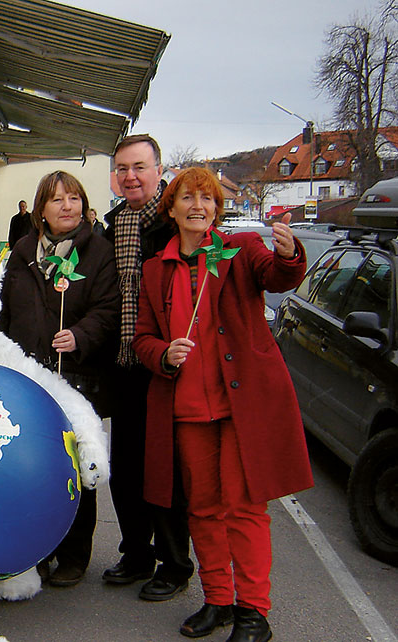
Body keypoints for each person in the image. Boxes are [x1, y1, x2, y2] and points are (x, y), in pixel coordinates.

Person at [133, 168, 312, 642]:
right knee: (204, 508)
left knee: (244, 507)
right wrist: (163, 354)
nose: (199, 206)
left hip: (241, 408)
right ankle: (219, 601)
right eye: (187, 198)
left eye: (208, 199)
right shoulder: (155, 269)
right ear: (170, 209)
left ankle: (253, 611)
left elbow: (278, 276)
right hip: (189, 409)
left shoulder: (240, 251)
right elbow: (143, 339)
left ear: (217, 208)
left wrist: (290, 252)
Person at [0, 171, 119, 587]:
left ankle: (74, 553)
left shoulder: (98, 252)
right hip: (28, 378)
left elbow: (107, 310)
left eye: (74, 198)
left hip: (76, 379)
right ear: (40, 211)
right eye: (56, 200)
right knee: (33, 468)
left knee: (76, 467)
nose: (67, 206)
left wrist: (80, 336)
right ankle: (40, 547)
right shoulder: (23, 251)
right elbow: (4, 310)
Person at [101, 134, 194, 601]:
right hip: (125, 365)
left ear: (159, 170)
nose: (130, 176)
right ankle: (137, 552)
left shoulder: (177, 222)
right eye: (122, 168)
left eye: (139, 167)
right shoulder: (114, 222)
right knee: (127, 469)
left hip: (167, 366)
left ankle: (176, 564)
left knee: (166, 471)